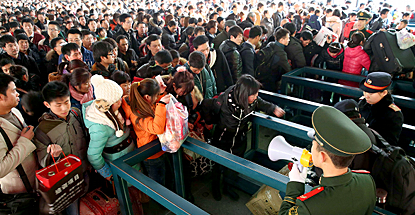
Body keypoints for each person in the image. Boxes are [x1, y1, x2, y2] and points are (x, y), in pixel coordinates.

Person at [201, 74, 285, 201]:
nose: (256, 98)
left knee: (235, 165)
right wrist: (208, 122)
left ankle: (228, 187)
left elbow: (261, 103)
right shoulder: (224, 100)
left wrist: (273, 108)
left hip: (240, 138)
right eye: (254, 96)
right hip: (222, 138)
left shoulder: (252, 100)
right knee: (218, 165)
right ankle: (216, 187)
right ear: (244, 95)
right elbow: (206, 104)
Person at [279, 106, 376, 215]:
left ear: (322, 156)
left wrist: (295, 186)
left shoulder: (310, 206)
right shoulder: (367, 181)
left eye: (313, 145)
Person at [34, 81, 90, 215]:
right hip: (67, 180)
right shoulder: (42, 130)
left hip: (85, 169)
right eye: (58, 105)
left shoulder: (75, 114)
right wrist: (53, 155)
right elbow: (43, 162)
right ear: (47, 104)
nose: (64, 108)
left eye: (67, 102)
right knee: (73, 210)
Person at [122, 78, 171, 186]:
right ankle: (159, 202)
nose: (157, 98)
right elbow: (157, 128)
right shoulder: (137, 115)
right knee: (157, 183)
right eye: (156, 95)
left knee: (164, 177)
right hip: (150, 153)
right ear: (147, 97)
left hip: (158, 147)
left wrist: (161, 94)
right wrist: (162, 104)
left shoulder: (141, 102)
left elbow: (155, 105)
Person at [0, 73, 38, 213]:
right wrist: (24, 142)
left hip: (33, 179)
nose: (17, 94)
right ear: (1, 96)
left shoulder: (15, 111)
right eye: (14, 90)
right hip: (18, 191)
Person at [358, 72, 404, 146]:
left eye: (371, 93)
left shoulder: (392, 114)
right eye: (365, 91)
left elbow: (389, 144)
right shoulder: (362, 103)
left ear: (384, 93)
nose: (366, 96)